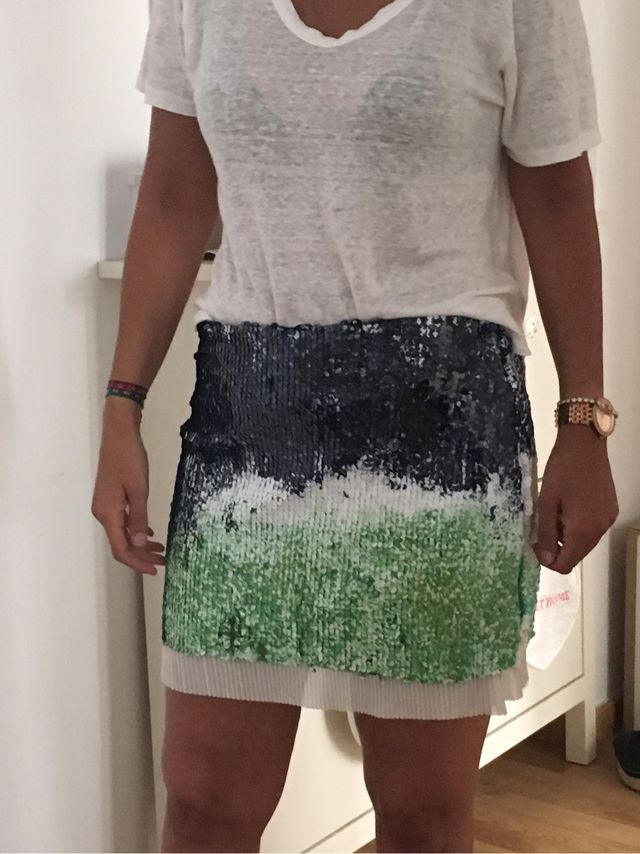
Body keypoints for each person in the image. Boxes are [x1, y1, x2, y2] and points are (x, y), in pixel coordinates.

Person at [92, 1, 620, 851]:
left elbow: (558, 199)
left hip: (442, 443)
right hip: (247, 433)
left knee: (422, 812)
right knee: (203, 799)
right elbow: (175, 194)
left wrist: (585, 423)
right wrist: (122, 404)